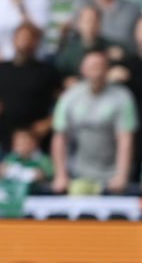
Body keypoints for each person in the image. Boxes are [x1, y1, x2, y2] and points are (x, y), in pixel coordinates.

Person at [51, 49, 137, 195]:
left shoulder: (123, 97)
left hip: (112, 175)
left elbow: (125, 139)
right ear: (82, 69)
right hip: (79, 173)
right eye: (91, 66)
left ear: (107, 69)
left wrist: (121, 175)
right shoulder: (69, 97)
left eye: (100, 65)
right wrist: (60, 175)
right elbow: (60, 137)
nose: (96, 70)